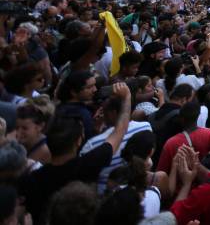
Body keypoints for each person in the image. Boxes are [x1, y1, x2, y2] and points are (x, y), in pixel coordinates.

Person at [22, 82, 132, 223]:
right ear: (78, 141)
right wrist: (127, 97)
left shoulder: (32, 179)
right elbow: (120, 130)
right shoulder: (89, 163)